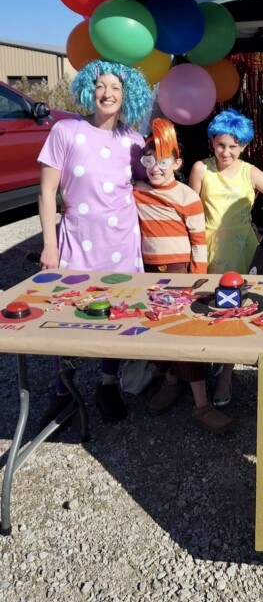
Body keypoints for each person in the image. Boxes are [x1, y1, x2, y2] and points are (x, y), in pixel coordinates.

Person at [37, 59, 152, 425]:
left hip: (121, 241)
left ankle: (107, 383)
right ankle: (62, 391)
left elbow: (146, 183)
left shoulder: (134, 141)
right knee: (66, 313)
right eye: (101, 86)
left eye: (116, 88)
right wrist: (50, 245)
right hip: (77, 240)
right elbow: (46, 192)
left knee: (115, 313)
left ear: (126, 95)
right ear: (89, 89)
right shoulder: (65, 131)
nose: (108, 93)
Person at [133, 118, 231, 433]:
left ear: (177, 162)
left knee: (185, 335)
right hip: (149, 274)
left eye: (163, 161)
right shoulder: (136, 191)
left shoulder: (188, 196)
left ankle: (201, 404)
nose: (155, 167)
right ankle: (171, 381)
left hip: (181, 275)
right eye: (149, 159)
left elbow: (198, 241)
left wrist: (196, 279)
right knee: (160, 331)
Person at [189, 109, 263, 406]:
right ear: (211, 141)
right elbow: (189, 209)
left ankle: (226, 374)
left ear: (244, 146)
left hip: (241, 249)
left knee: (234, 309)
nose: (226, 152)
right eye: (220, 144)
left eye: (233, 146)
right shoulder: (201, 169)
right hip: (208, 248)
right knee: (204, 307)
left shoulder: (250, 171)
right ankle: (201, 364)